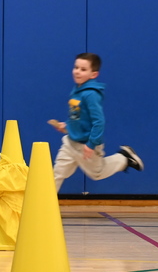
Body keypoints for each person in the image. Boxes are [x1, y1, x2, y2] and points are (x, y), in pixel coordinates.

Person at [50, 52, 143, 191]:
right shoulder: (77, 90)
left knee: (97, 173)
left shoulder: (91, 94)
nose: (77, 71)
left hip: (86, 145)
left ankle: (124, 158)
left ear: (93, 74)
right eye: (76, 67)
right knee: (57, 173)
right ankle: (45, 203)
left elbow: (99, 122)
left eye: (83, 69)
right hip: (70, 143)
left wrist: (91, 144)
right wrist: (67, 126)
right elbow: (78, 116)